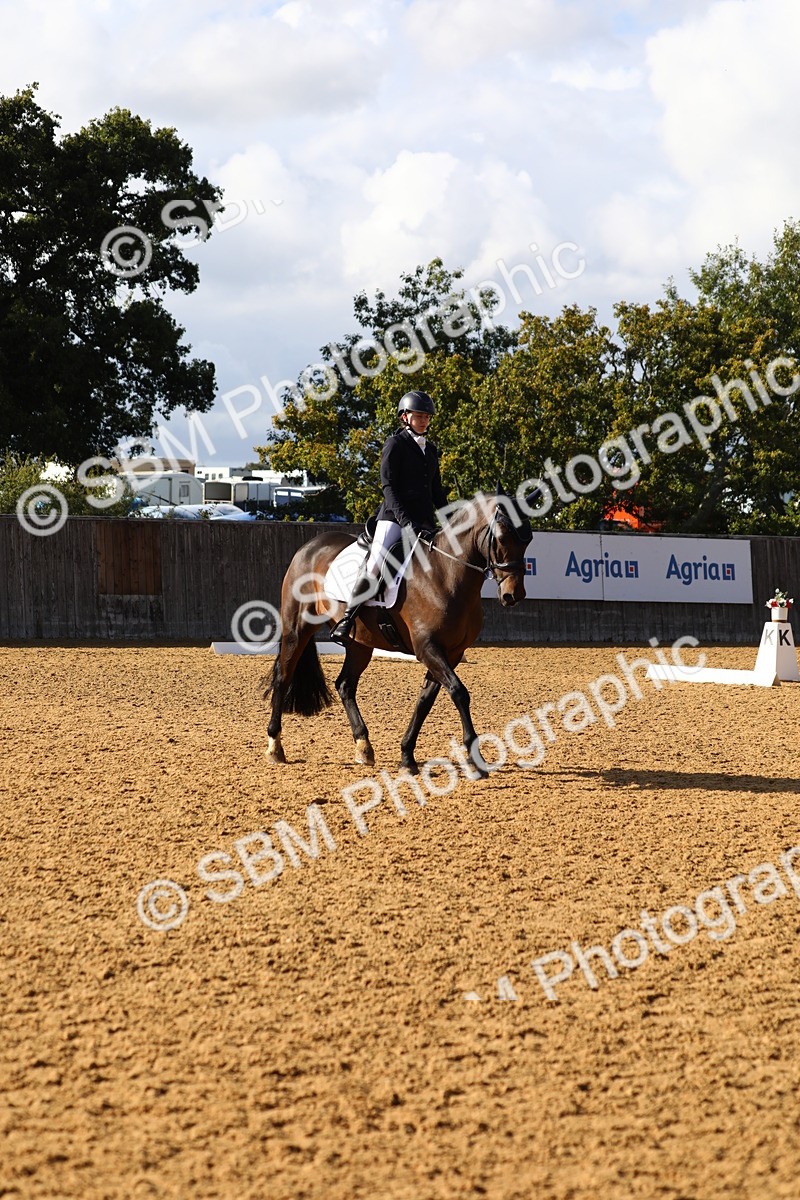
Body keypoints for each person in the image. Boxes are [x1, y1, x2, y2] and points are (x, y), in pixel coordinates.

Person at [329, 390, 449, 643]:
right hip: (394, 519)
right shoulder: (395, 444)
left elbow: (436, 491)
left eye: (427, 416)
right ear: (405, 417)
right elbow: (389, 487)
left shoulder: (431, 450)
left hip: (424, 521)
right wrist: (406, 521)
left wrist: (448, 518)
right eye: (419, 416)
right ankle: (347, 618)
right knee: (377, 561)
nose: (424, 420)